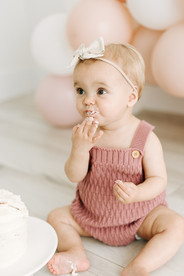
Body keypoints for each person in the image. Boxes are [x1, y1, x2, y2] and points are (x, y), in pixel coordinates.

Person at [47, 37, 184, 276]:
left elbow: (159, 180)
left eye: (100, 91)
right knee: (56, 217)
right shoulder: (86, 134)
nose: (88, 100)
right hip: (91, 214)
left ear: (130, 97)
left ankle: (140, 266)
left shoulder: (145, 138)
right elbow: (73, 175)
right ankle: (75, 252)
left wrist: (138, 193)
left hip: (140, 217)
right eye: (80, 90)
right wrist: (79, 149)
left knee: (175, 226)